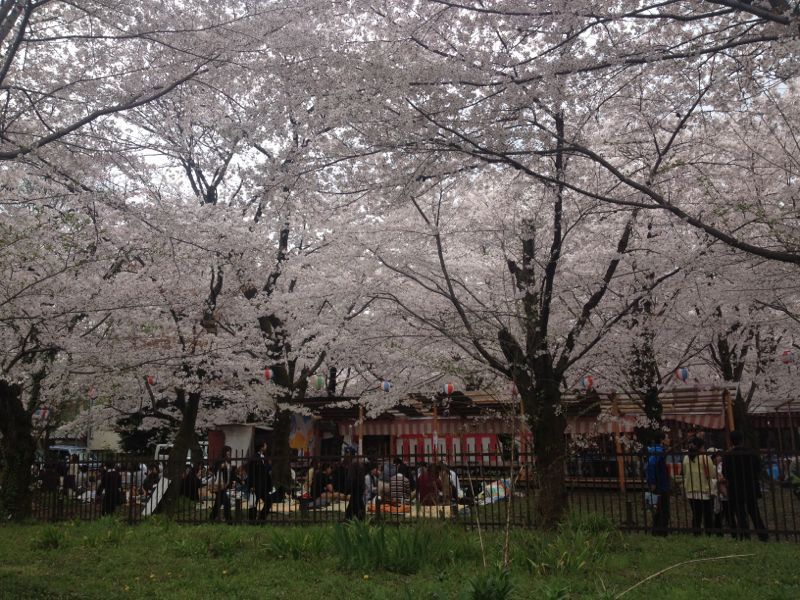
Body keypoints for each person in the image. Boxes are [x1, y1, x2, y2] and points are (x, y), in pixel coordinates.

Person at [723, 431, 768, 541]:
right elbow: (758, 468)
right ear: (742, 439)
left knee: (740, 514)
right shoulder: (751, 453)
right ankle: (762, 535)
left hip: (736, 488)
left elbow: (725, 472)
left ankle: (745, 536)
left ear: (731, 441)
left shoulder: (728, 456)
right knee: (754, 512)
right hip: (750, 486)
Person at [682, 437, 715, 535]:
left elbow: (684, 472)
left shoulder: (686, 458)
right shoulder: (705, 458)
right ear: (701, 447)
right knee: (707, 514)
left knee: (696, 515)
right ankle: (709, 534)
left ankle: (696, 534)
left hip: (691, 489)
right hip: (704, 489)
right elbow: (712, 474)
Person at [645, 431, 671, 536]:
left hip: (660, 483)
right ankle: (661, 531)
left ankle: (657, 530)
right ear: (662, 440)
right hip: (660, 484)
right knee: (663, 508)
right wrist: (652, 482)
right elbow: (650, 465)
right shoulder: (658, 450)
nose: (669, 439)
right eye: (667, 437)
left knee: (658, 508)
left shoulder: (654, 449)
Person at [210, 446, 238, 522]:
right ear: (224, 452)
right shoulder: (220, 460)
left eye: (230, 451)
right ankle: (229, 520)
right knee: (227, 503)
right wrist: (221, 467)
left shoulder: (228, 461)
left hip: (225, 485)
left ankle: (211, 518)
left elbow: (231, 473)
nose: (229, 453)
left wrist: (234, 481)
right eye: (228, 451)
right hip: (220, 486)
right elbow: (214, 469)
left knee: (218, 504)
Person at [248, 441, 272, 521]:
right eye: (265, 445)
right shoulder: (254, 457)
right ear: (261, 447)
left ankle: (262, 517)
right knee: (254, 503)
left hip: (264, 485)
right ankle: (252, 520)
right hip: (256, 484)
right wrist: (252, 485)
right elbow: (251, 473)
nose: (266, 447)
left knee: (268, 500)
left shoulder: (265, 457)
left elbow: (267, 469)